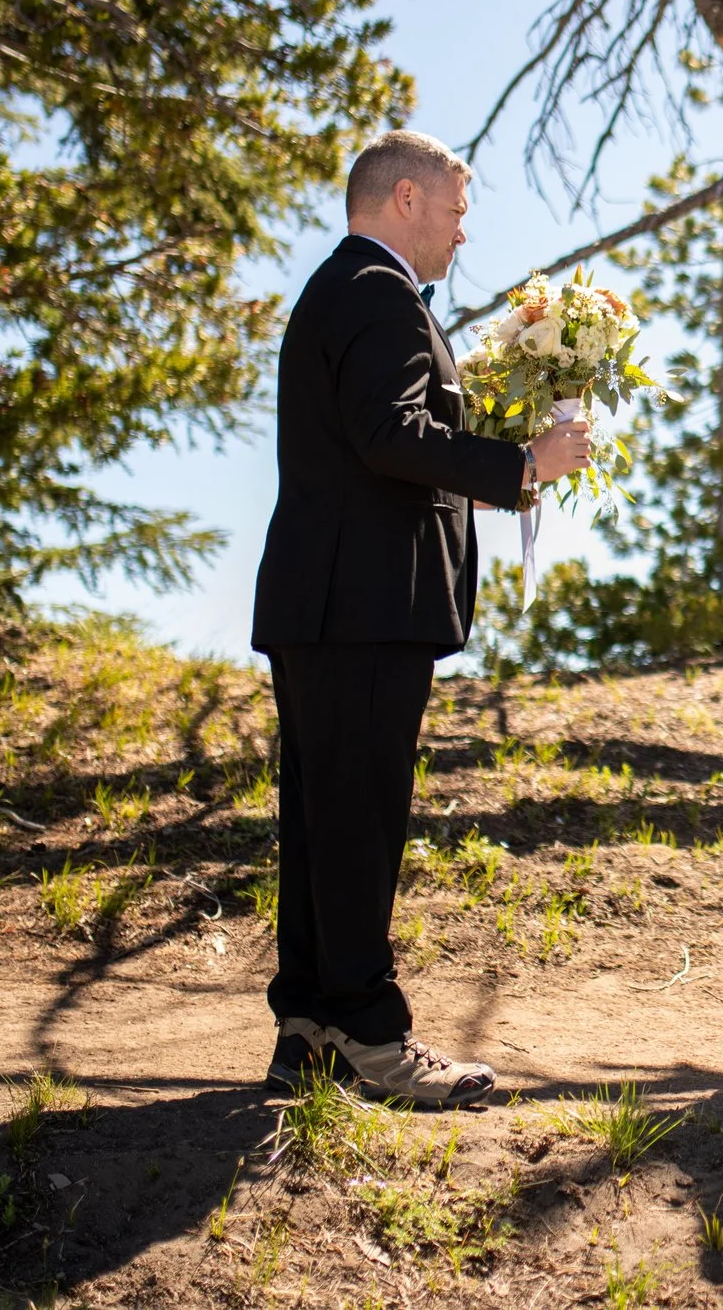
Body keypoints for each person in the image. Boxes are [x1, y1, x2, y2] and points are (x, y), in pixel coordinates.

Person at [249, 130, 591, 1105]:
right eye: (456, 208)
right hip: (362, 603)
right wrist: (525, 466)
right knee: (356, 820)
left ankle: (309, 1028)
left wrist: (492, 482)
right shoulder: (376, 292)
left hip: (329, 599)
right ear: (405, 198)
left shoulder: (348, 289)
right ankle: (372, 1035)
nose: (463, 229)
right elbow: (393, 434)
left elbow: (382, 454)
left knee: (326, 820)